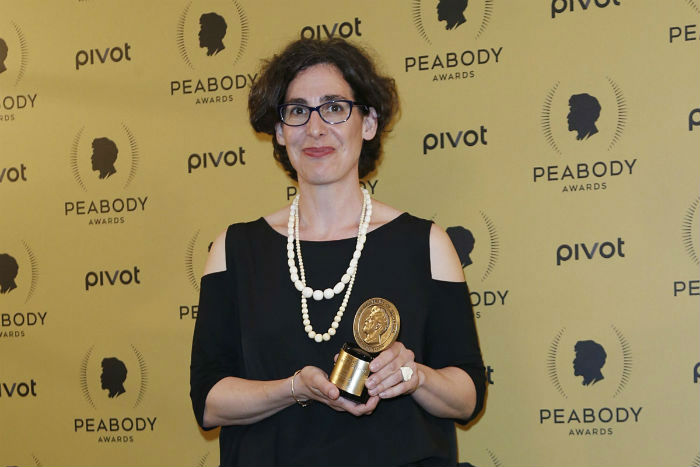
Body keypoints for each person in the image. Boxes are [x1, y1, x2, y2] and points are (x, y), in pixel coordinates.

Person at [190, 38, 485, 466]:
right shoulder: (233, 251)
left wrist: (415, 376)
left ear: (367, 123)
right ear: (278, 130)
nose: (315, 129)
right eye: (297, 111)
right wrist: (295, 388)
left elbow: (467, 397)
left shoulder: (426, 244)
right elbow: (209, 401)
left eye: (334, 108)